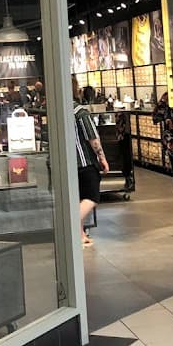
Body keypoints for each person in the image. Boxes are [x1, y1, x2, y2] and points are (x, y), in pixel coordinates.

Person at [72, 75, 107, 246]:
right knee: (92, 196)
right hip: (84, 162)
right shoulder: (80, 111)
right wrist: (102, 157)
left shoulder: (58, 109)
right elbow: (93, 138)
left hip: (69, 164)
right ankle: (72, 227)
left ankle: (80, 235)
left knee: (79, 199)